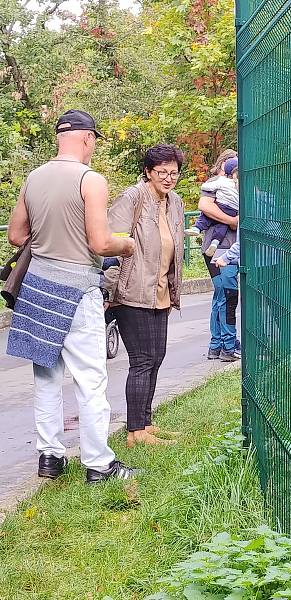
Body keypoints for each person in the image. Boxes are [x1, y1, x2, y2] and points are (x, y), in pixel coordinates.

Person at [5, 109, 137, 483]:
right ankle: (98, 464)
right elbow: (99, 242)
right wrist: (126, 245)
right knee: (90, 379)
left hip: (36, 291)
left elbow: (16, 236)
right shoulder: (90, 180)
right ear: (87, 138)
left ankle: (50, 457)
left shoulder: (34, 177)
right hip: (78, 290)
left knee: (46, 377)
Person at [105, 144, 186, 447]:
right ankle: (134, 432)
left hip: (161, 292)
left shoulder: (174, 202)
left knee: (157, 358)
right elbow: (111, 243)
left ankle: (146, 425)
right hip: (132, 292)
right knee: (141, 360)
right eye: (161, 172)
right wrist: (110, 287)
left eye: (173, 173)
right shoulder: (133, 197)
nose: (168, 178)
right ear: (149, 172)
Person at [199, 149, 240, 361]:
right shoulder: (217, 184)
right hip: (220, 248)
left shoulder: (231, 185)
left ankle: (217, 344)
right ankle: (227, 344)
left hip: (227, 247)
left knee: (220, 296)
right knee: (227, 296)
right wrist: (232, 221)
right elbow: (204, 206)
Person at [185, 157, 239, 258]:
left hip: (235, 247)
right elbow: (205, 205)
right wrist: (232, 220)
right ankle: (209, 239)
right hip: (226, 245)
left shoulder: (220, 182)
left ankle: (199, 230)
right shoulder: (218, 181)